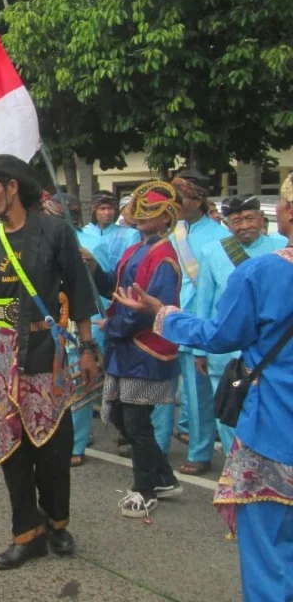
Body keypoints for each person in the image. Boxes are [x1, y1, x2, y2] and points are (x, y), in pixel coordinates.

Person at [113, 173, 293, 602]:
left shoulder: (265, 271)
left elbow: (219, 335)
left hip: (275, 429)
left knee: (269, 553)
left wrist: (164, 313)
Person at [0, 155, 99, 570]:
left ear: (11, 187)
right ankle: (27, 533)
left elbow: (78, 290)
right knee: (11, 448)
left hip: (45, 354)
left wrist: (89, 348)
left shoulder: (54, 231)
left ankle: (58, 523)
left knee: (54, 450)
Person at [90, 181, 184, 517]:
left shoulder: (165, 256)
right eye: (139, 211)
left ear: (167, 217)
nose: (143, 217)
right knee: (118, 415)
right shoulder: (133, 250)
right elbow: (116, 290)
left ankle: (144, 489)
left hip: (146, 348)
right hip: (124, 347)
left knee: (136, 422)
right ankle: (165, 477)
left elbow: (147, 308)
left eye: (152, 212)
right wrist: (93, 269)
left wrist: (114, 325)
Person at [192, 195, 285, 456]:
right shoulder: (212, 251)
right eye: (236, 221)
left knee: (266, 414)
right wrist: (200, 350)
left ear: (261, 219)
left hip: (267, 351)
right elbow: (205, 300)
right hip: (224, 349)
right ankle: (234, 471)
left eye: (249, 218)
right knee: (228, 410)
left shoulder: (280, 247)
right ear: (227, 224)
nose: (243, 225)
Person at [42, 192, 112, 468]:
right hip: (49, 320)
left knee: (79, 384)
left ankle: (78, 443)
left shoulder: (95, 243)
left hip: (81, 321)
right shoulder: (40, 239)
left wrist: (91, 265)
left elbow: (104, 285)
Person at [169, 170, 230, 475]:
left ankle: (219, 455)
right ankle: (198, 449)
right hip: (176, 324)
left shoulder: (224, 237)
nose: (175, 202)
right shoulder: (173, 232)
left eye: (180, 196)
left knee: (214, 397)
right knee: (190, 398)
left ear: (198, 198)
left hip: (208, 328)